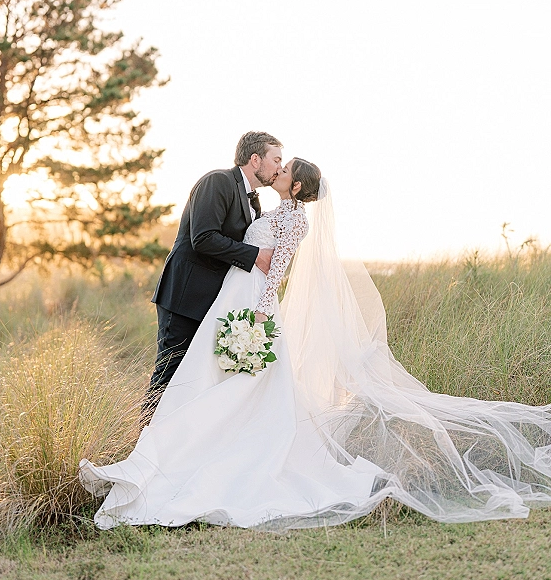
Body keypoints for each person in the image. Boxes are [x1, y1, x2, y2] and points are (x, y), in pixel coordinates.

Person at [81, 161, 551, 529]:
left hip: (251, 305)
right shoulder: (269, 208)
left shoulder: (294, 221)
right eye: (277, 164)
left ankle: (205, 458)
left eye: (285, 169)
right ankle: (171, 451)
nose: (278, 171)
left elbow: (276, 268)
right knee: (207, 381)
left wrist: (259, 315)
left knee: (235, 387)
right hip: (232, 298)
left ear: (296, 186)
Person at [143, 131, 283, 419]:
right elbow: (203, 237)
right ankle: (142, 442)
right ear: (255, 159)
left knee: (196, 377)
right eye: (276, 159)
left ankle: (175, 444)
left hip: (213, 302)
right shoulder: (217, 181)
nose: (280, 168)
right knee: (170, 371)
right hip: (185, 296)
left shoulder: (253, 200)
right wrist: (255, 256)